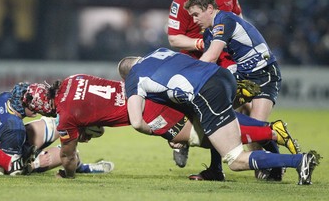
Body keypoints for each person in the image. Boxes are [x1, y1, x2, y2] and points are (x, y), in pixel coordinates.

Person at [18, 74, 299, 180]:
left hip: (151, 114)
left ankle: (271, 132)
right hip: (150, 92)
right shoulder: (72, 78)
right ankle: (268, 131)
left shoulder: (66, 116)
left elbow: (67, 157)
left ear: (43, 106)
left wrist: (68, 174)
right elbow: (97, 106)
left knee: (212, 136)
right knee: (214, 120)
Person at [118, 48, 320, 185]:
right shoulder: (159, 52)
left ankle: (298, 161)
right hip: (223, 77)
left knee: (234, 159)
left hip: (206, 92)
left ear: (125, 77)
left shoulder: (134, 78)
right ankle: (268, 144)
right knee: (214, 125)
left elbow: (136, 122)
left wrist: (157, 131)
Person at [167, 0, 257, 175]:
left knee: (244, 105)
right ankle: (182, 140)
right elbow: (173, 38)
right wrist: (200, 44)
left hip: (224, 59)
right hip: (194, 62)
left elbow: (239, 20)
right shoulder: (181, 2)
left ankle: (255, 163)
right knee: (194, 109)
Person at [0, 82, 114, 175]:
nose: (38, 111)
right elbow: (9, 168)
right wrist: (35, 164)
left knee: (57, 125)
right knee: (68, 154)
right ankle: (84, 168)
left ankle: (77, 128)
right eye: (35, 108)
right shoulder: (15, 129)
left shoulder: (2, 97)